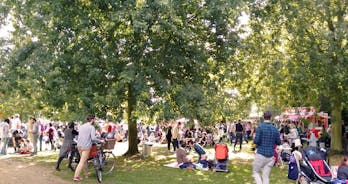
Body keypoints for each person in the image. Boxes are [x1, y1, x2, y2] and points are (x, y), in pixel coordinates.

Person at [253, 111, 281, 184]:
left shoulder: (260, 127)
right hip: (271, 156)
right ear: (271, 118)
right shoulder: (275, 128)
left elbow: (256, 141)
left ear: (263, 117)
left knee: (256, 172)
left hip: (261, 154)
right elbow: (278, 142)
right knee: (266, 176)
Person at [73, 115, 99, 182]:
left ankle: (86, 174)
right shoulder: (91, 127)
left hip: (79, 146)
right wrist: (100, 140)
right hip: (86, 146)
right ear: (92, 120)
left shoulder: (82, 126)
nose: (95, 121)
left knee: (84, 161)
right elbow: (93, 138)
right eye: (95, 120)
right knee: (82, 162)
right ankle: (76, 176)